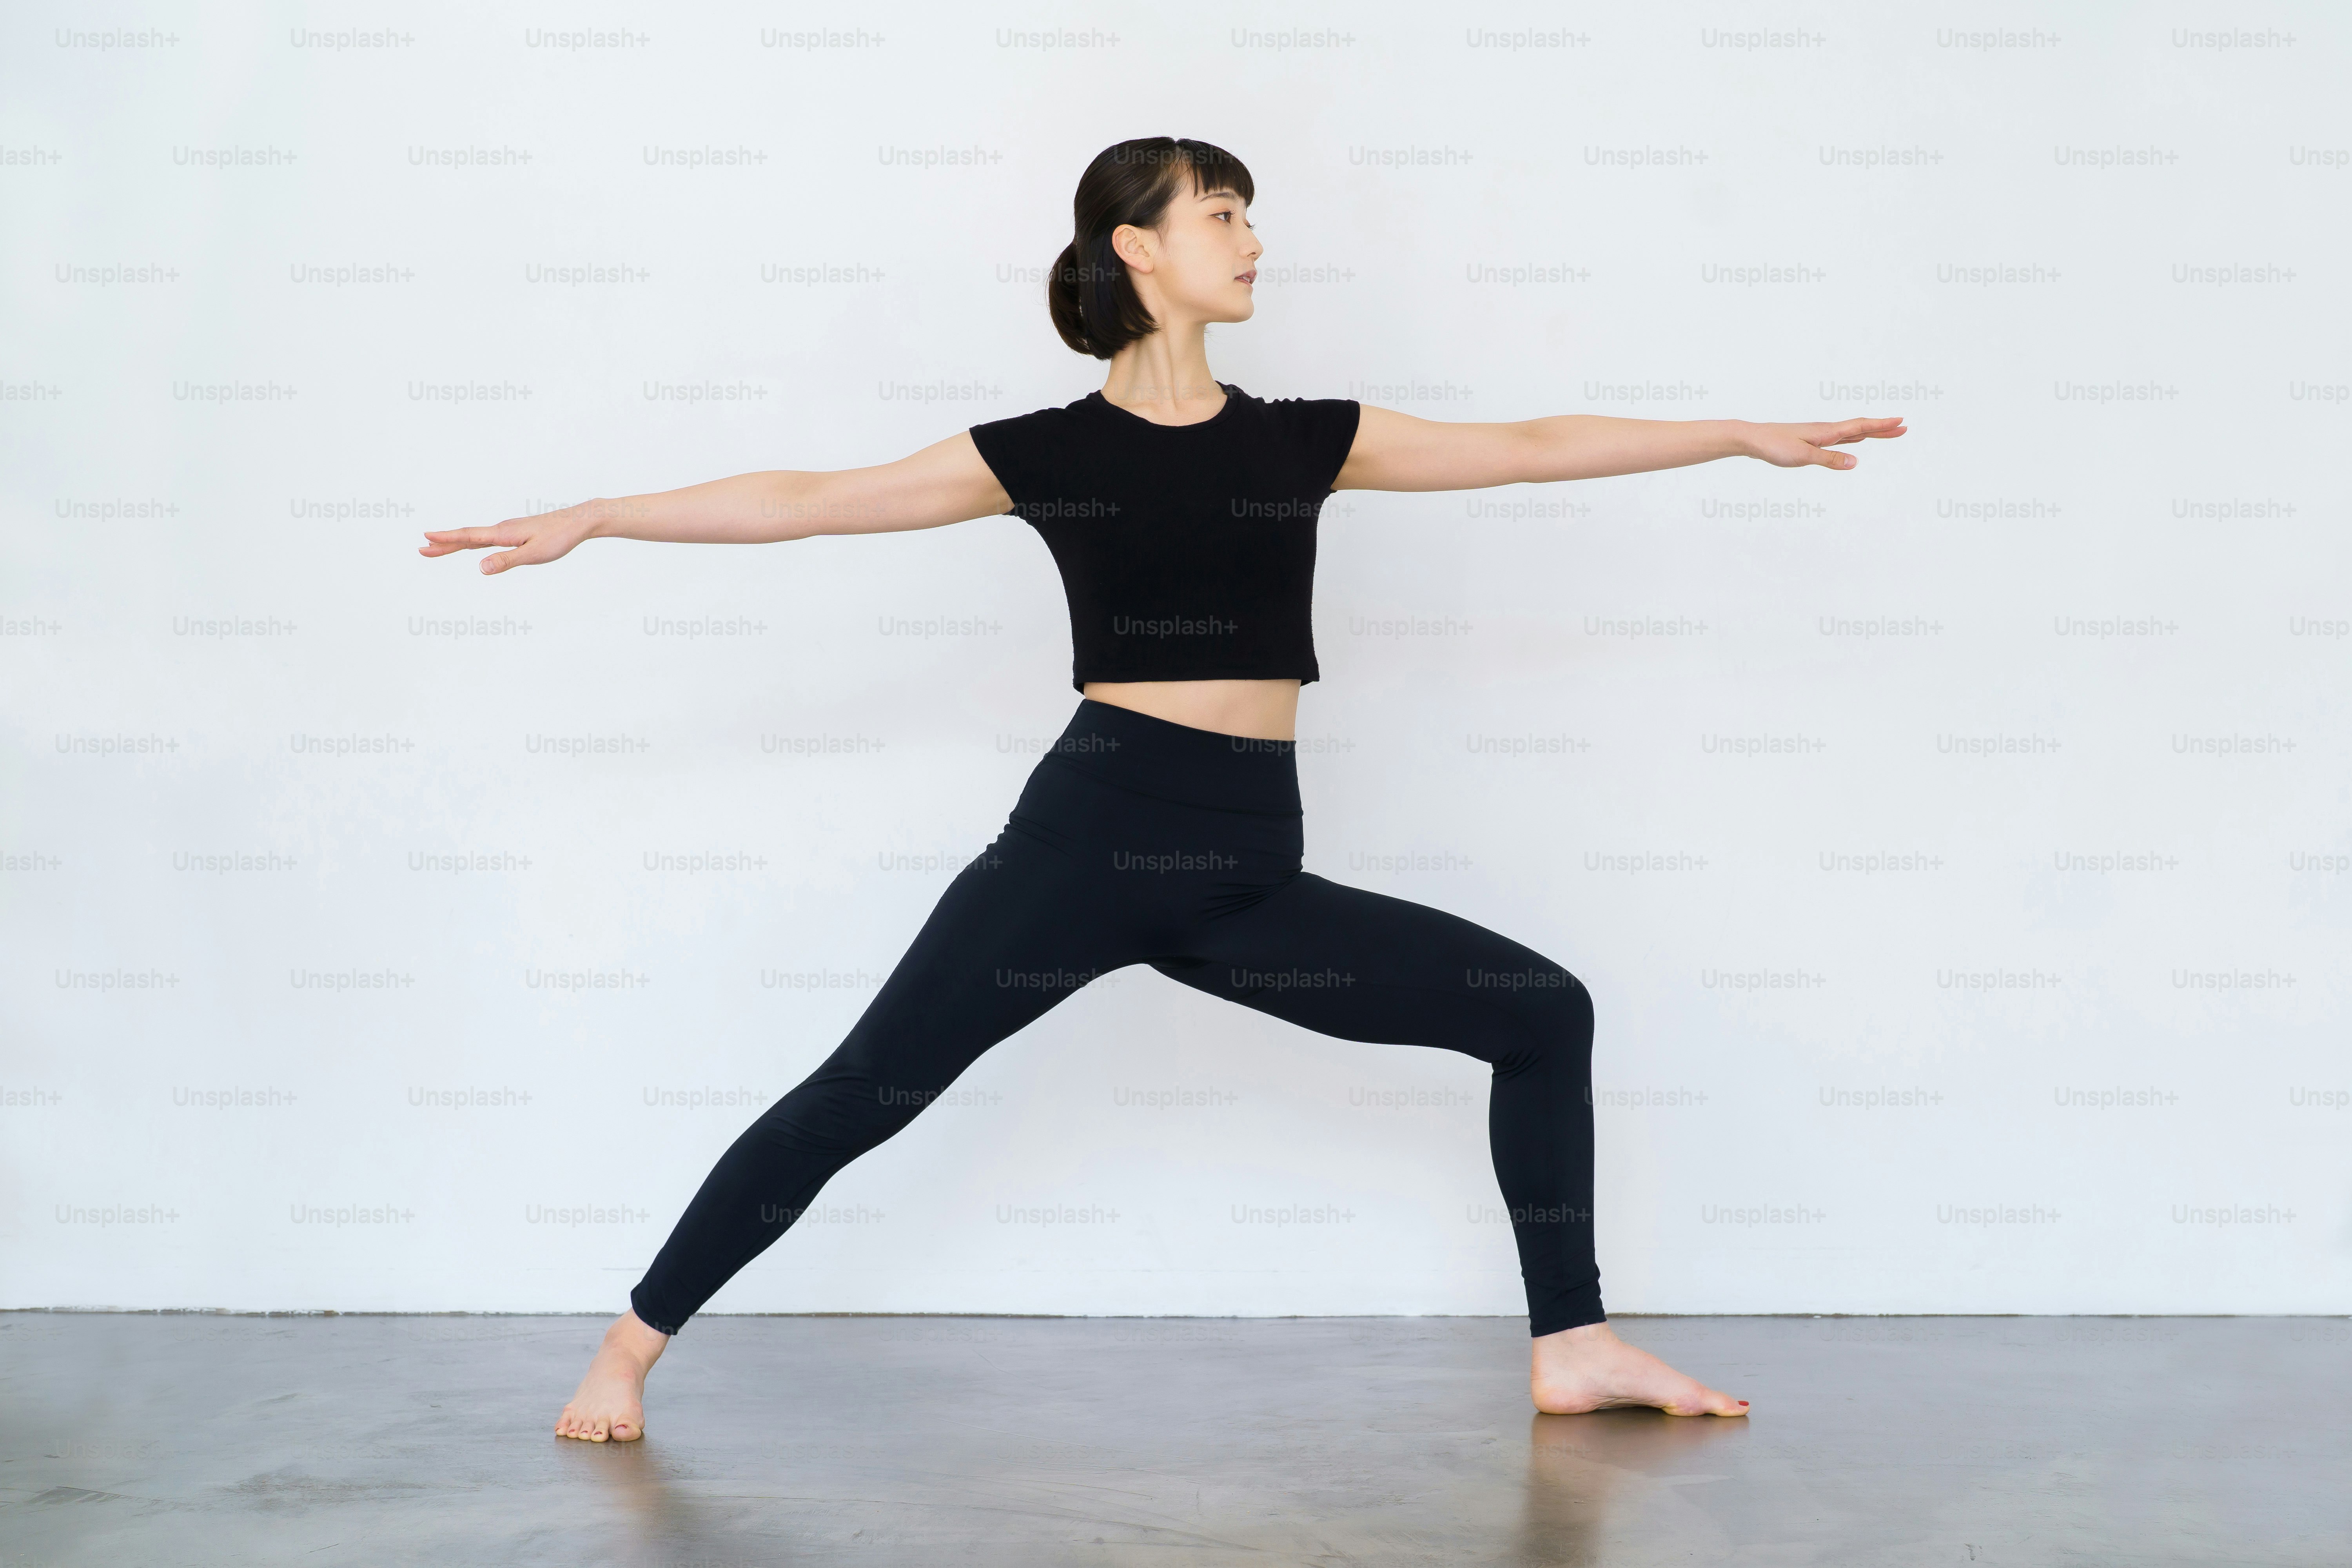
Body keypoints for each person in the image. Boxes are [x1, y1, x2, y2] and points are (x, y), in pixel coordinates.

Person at [422, 136, 1903, 1443]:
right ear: (1136, 248)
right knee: (868, 1092)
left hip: (1253, 863)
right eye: (1221, 213)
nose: (1253, 240)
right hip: (1095, 840)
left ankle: (1572, 1344)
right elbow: (811, 503)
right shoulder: (1047, 454)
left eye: (1252, 214)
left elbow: (1523, 450)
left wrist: (1730, 431)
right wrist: (604, 516)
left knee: (1539, 1009)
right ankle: (628, 1350)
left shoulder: (1302, 438)